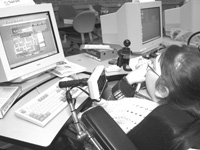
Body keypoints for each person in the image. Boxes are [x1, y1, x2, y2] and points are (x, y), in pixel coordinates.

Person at [94, 44, 200, 150]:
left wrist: (127, 80)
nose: (145, 69)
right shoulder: (191, 108)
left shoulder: (134, 110)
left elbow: (95, 114)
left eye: (151, 67)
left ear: (162, 90)